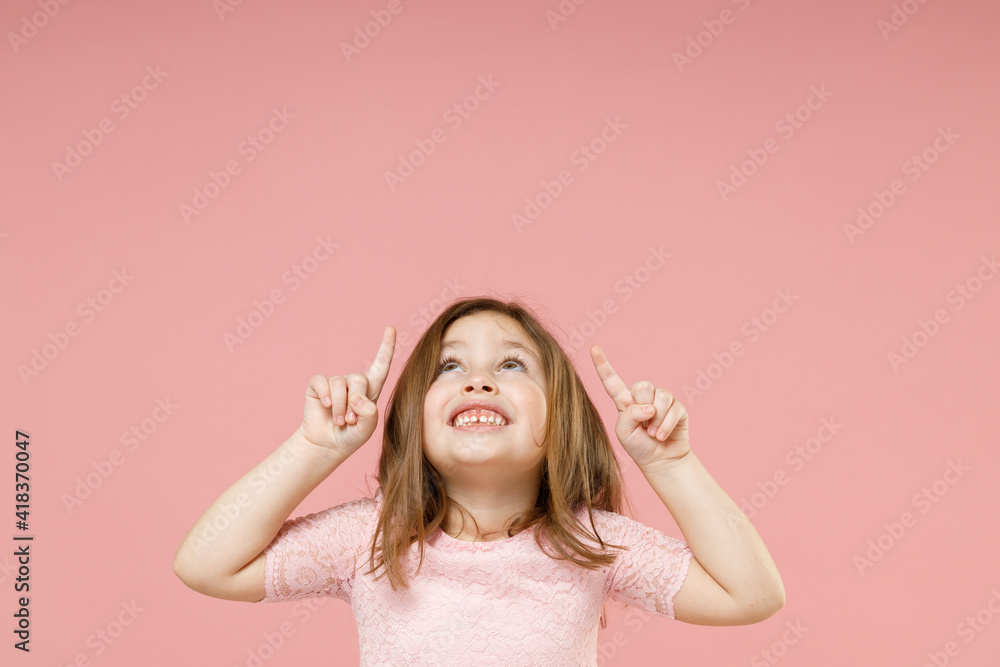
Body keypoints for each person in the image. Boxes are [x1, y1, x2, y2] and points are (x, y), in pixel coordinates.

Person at [173, 296, 785, 665]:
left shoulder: (592, 545)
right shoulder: (371, 538)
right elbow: (206, 564)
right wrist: (314, 448)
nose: (480, 380)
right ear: (414, 417)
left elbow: (751, 596)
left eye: (512, 364)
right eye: (451, 364)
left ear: (561, 415)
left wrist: (669, 465)